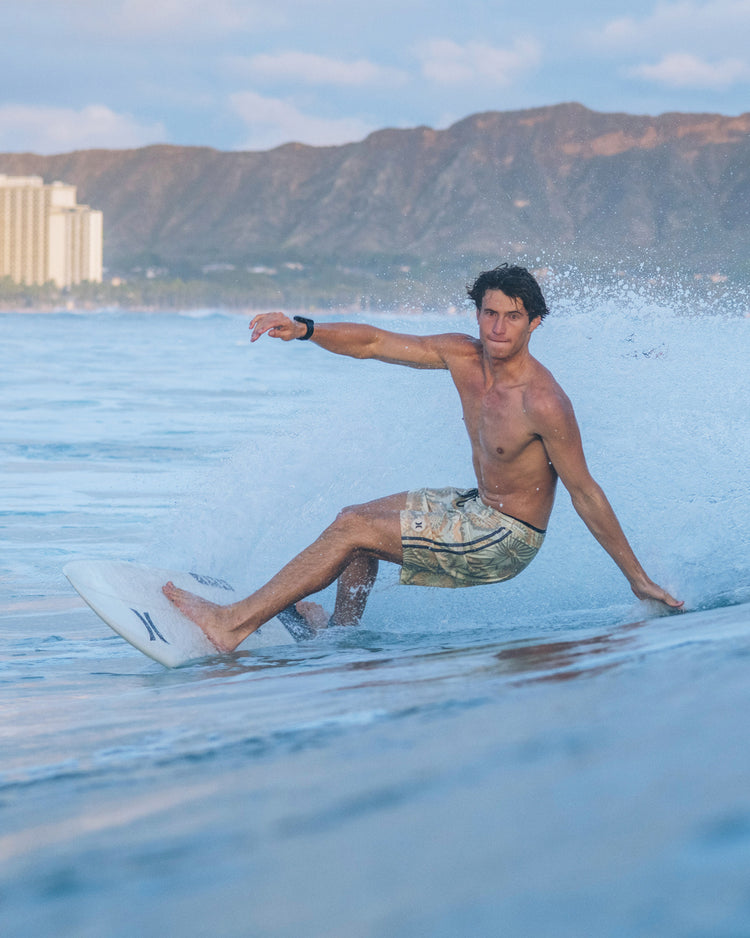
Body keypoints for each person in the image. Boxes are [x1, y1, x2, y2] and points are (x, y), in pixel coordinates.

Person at [163, 263, 682, 652]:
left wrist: (637, 579)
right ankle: (339, 637)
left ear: (534, 324)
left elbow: (585, 492)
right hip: (474, 506)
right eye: (490, 314)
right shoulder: (461, 354)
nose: (498, 328)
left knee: (353, 529)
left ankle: (230, 624)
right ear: (477, 314)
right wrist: (305, 329)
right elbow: (373, 342)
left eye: (513, 317)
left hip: (504, 539)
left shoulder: (542, 401)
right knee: (354, 524)